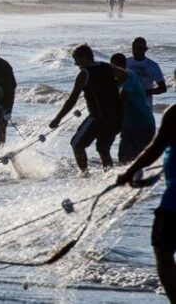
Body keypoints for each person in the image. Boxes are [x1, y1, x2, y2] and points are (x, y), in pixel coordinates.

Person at [116, 81, 175, 302]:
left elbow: (155, 148)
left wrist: (129, 173)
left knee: (163, 251)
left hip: (174, 202)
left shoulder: (175, 113)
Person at [49, 44, 122, 173]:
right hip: (116, 118)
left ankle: (85, 174)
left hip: (98, 118)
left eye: (76, 59)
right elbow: (126, 76)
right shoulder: (107, 66)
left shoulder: (84, 73)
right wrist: (111, 87)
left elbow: (72, 100)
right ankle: (109, 176)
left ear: (84, 57)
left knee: (76, 144)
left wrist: (58, 118)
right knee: (103, 149)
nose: (75, 64)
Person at [110, 53, 156, 164]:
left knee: (142, 161)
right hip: (128, 126)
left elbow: (122, 98)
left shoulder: (129, 76)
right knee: (123, 159)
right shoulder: (116, 82)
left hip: (143, 125)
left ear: (123, 66)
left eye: (115, 68)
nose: (112, 71)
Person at [127, 37, 167, 107]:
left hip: (145, 108)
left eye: (139, 48)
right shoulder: (125, 62)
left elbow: (163, 88)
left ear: (145, 49)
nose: (136, 51)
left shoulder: (152, 65)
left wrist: (147, 92)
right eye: (134, 48)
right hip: (127, 106)